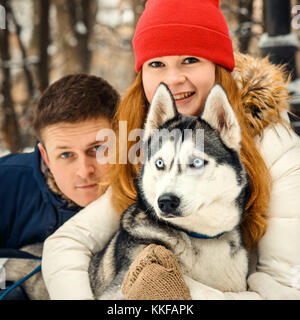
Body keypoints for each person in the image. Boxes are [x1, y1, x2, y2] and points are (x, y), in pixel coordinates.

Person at [42, 0, 300, 300]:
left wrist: (180, 296)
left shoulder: (277, 149)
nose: (174, 78)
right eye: (157, 64)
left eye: (190, 59)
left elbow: (286, 288)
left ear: (218, 67)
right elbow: (68, 244)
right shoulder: (150, 140)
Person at [0, 74, 119, 249]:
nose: (84, 171)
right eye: (66, 155)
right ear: (46, 157)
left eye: (97, 149)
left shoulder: (155, 192)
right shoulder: (6, 184)